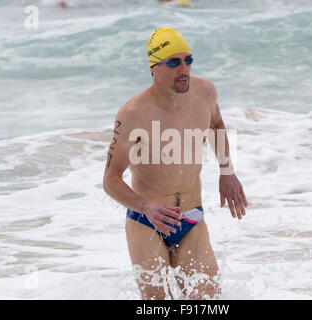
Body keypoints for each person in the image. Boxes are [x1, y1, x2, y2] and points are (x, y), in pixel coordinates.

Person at [103, 27, 248, 300]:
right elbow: (110, 179)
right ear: (154, 68)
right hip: (147, 221)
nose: (184, 69)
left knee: (208, 301)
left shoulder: (205, 92)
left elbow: (216, 124)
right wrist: (146, 206)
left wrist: (227, 172)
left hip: (192, 217)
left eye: (188, 60)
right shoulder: (133, 115)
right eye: (174, 62)